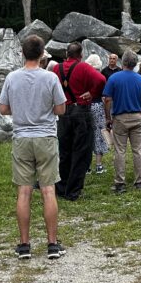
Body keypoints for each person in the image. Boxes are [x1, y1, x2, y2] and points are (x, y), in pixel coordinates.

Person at [0, 35, 68, 260]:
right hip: (46, 137)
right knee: (48, 189)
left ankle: (24, 244)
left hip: (22, 138)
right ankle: (52, 244)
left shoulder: (11, 78)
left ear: (22, 53)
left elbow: (3, 108)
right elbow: (61, 109)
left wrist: (21, 109)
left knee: (24, 191)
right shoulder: (50, 78)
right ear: (42, 54)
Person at [54, 42, 107, 201]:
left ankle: (61, 187)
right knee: (81, 151)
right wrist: (92, 93)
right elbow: (101, 79)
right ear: (80, 55)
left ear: (66, 54)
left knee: (64, 150)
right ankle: (73, 190)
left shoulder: (57, 68)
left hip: (64, 111)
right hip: (81, 111)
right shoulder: (83, 67)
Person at [102, 50, 141, 193]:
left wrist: (108, 118)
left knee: (120, 150)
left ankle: (120, 183)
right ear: (135, 63)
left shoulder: (114, 78)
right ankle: (140, 181)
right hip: (137, 116)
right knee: (138, 150)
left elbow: (107, 99)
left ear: (122, 62)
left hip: (120, 117)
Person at [85, 55, 110, 174]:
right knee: (99, 134)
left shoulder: (85, 76)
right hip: (98, 105)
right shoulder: (100, 77)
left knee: (86, 134)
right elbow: (105, 95)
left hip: (86, 106)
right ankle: (99, 165)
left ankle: (87, 166)